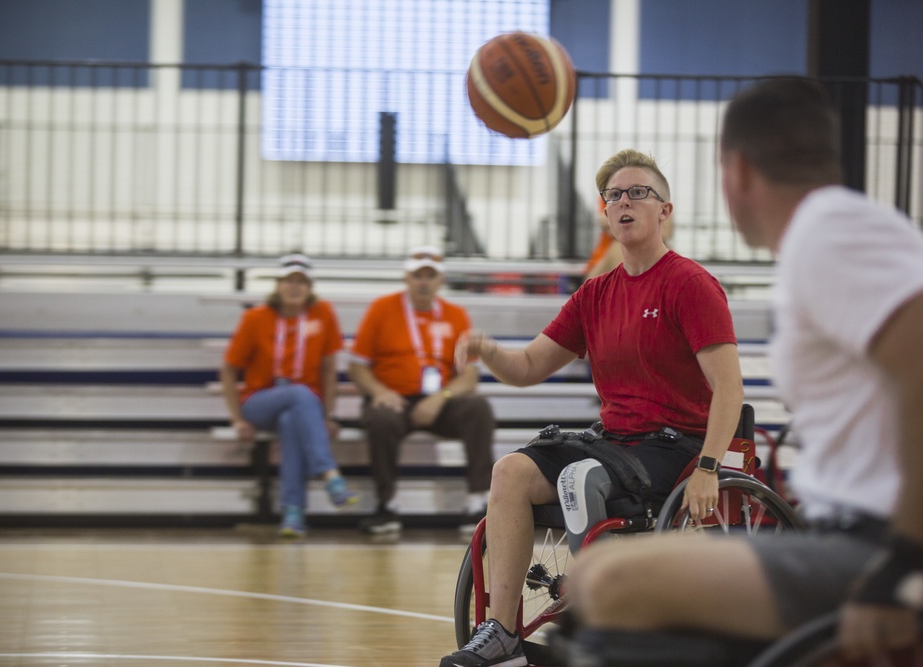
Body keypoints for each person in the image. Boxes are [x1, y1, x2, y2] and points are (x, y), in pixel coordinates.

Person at [562, 77, 923, 666]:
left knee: (607, 583)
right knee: (606, 582)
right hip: (860, 535)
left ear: (737, 172)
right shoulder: (832, 233)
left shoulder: (830, 236)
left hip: (898, 551)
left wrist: (902, 567)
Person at [440, 148, 744, 667]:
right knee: (511, 471)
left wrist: (709, 468)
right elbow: (530, 367)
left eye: (637, 192)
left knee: (579, 477)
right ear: (606, 213)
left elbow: (729, 389)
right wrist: (490, 351)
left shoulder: (690, 284)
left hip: (678, 446)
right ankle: (504, 631)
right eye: (614, 195)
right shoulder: (594, 294)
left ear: (664, 210)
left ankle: (594, 624)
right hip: (617, 445)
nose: (624, 201)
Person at [347, 246, 495, 534]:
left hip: (438, 399)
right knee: (380, 418)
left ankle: (478, 502)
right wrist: (379, 392)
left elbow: (470, 375)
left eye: (430, 275)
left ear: (440, 280)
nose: (424, 281)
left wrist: (441, 398)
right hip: (393, 398)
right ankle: (387, 505)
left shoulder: (456, 315)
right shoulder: (381, 309)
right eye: (418, 275)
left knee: (478, 408)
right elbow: (357, 367)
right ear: (407, 278)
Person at [221, 253, 358, 538]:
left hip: (304, 406)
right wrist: (236, 419)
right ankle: (329, 473)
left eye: (301, 282)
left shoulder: (323, 314)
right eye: (289, 281)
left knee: (291, 420)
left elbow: (329, 370)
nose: (295, 287)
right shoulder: (255, 318)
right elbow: (229, 369)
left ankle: (293, 513)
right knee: (299, 395)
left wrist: (328, 415)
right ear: (278, 284)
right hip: (260, 401)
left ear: (310, 287)